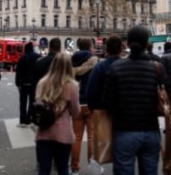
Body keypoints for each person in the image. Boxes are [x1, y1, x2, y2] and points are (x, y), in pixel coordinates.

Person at [103, 26, 164, 175]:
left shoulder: (116, 68)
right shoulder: (157, 68)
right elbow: (164, 96)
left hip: (124, 129)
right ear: (146, 43)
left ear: (128, 43)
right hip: (151, 129)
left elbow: (107, 103)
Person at [35, 53, 80, 175]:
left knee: (44, 169)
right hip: (63, 133)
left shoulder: (42, 83)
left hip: (44, 132)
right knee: (63, 168)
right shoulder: (72, 86)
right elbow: (75, 112)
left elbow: (38, 106)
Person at [70, 38, 99, 175]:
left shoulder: (71, 61)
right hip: (90, 102)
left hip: (76, 102)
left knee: (76, 137)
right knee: (92, 136)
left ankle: (74, 167)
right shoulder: (94, 62)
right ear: (89, 47)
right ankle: (92, 167)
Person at [86, 35, 123, 110]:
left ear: (106, 49)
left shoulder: (99, 67)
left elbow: (91, 93)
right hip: (124, 114)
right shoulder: (126, 67)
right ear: (121, 49)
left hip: (104, 113)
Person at [16, 41, 41, 127]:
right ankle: (30, 119)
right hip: (34, 83)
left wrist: (17, 83)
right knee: (32, 102)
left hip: (24, 83)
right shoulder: (38, 57)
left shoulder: (22, 58)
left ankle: (22, 121)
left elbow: (18, 72)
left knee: (23, 102)